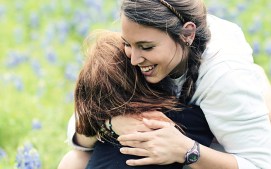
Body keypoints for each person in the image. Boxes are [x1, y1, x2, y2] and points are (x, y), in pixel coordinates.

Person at [59, 0, 271, 168]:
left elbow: (261, 164)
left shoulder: (225, 74)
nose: (134, 59)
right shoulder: (139, 43)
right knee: (74, 162)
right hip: (172, 143)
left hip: (223, 156)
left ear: (187, 34)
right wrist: (112, 123)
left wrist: (187, 151)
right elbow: (81, 125)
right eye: (127, 43)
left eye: (146, 47)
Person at [59, 30, 214, 169]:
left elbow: (84, 123)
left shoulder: (106, 128)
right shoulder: (190, 119)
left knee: (73, 159)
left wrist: (108, 124)